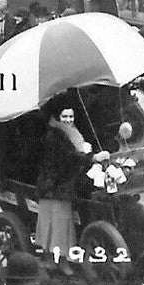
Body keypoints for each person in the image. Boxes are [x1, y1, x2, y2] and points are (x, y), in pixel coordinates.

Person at [36, 104, 92, 260]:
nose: (68, 120)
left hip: (66, 182)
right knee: (58, 225)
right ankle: (57, 261)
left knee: (63, 224)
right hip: (54, 186)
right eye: (65, 117)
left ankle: (60, 258)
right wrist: (90, 158)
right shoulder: (54, 135)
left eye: (71, 116)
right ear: (57, 117)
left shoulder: (72, 132)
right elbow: (68, 156)